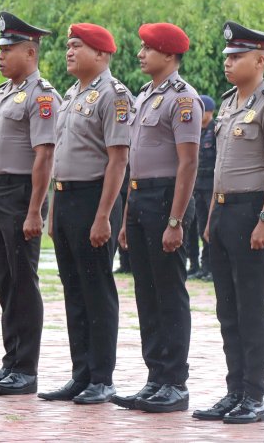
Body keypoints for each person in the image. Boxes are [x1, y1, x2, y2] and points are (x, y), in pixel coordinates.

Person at [194, 21, 264, 424]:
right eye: (227, 57)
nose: (229, 64)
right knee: (227, 310)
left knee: (252, 308)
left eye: (237, 57)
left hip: (254, 211)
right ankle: (234, 390)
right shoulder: (230, 103)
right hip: (223, 213)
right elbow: (219, 168)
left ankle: (254, 394)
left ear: (260, 59)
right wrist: (212, 218)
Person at [0, 12, 61, 396]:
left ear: (31, 51)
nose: (1, 55)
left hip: (22, 193)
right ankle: (10, 363)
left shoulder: (42, 97)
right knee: (6, 282)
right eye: (0, 49)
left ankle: (26, 369)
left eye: (9, 49)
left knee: (23, 281)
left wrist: (36, 208)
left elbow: (44, 156)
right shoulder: (1, 94)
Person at [38, 23, 131, 405]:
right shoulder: (72, 94)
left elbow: (118, 159)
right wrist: (52, 212)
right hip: (66, 199)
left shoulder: (114, 95)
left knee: (96, 290)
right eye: (68, 46)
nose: (69, 52)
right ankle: (81, 375)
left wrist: (104, 215)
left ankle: (102, 377)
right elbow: (60, 160)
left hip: (95, 199)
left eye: (77, 46)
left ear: (102, 54)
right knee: (74, 290)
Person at [112, 23, 201, 414]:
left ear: (169, 55)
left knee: (168, 292)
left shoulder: (183, 99)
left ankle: (174, 383)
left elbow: (188, 162)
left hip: (167, 199)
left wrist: (176, 220)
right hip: (140, 197)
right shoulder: (145, 96)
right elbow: (135, 162)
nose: (140, 54)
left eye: (148, 48)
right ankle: (154, 378)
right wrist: (128, 210)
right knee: (146, 293)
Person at [185, 94, 216, 280]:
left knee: (208, 227)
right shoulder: (194, 130)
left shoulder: (216, 130)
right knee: (193, 226)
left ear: (210, 112)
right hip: (196, 184)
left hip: (211, 185)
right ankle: (195, 265)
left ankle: (209, 266)